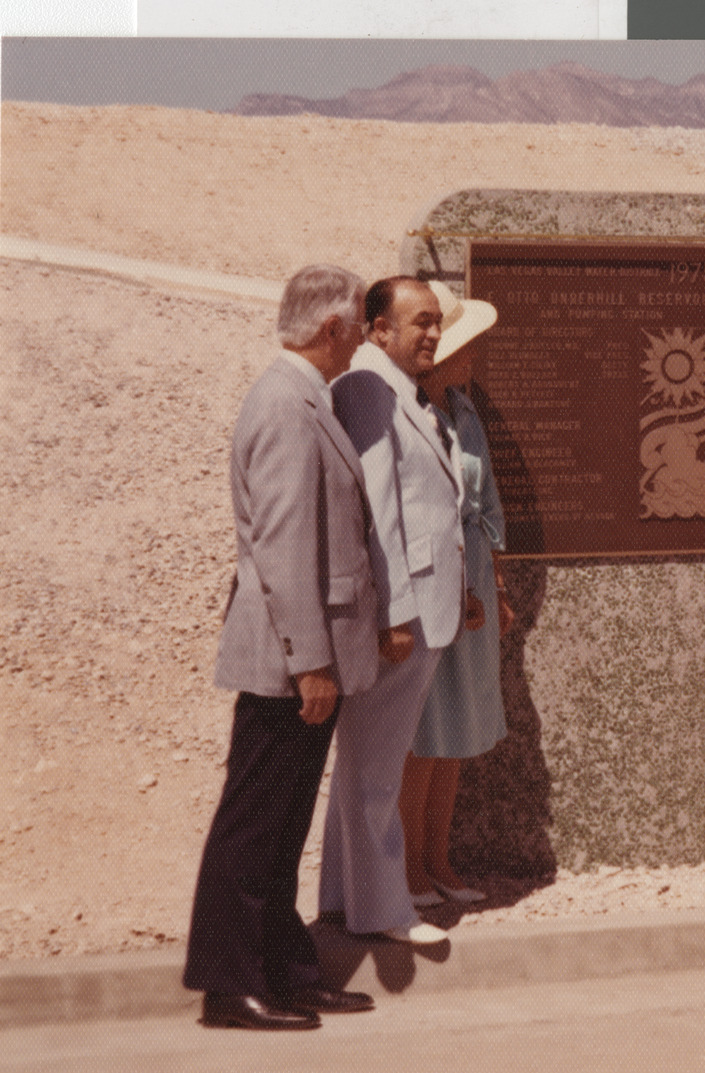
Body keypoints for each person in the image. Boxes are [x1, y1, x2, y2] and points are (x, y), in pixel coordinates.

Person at [184, 264, 377, 1029]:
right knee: (256, 819)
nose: (363, 337)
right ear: (332, 329)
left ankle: (285, 967)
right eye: (360, 324)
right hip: (290, 660)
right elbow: (287, 543)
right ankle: (230, 984)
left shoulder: (303, 398)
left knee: (285, 818)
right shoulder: (286, 405)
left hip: (303, 655)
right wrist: (311, 661)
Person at [319, 277, 467, 945]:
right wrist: (393, 615)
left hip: (424, 605)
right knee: (376, 765)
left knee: (367, 760)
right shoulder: (368, 391)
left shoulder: (397, 388)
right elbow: (378, 511)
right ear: (377, 329)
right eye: (419, 322)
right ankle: (382, 912)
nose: (433, 333)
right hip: (401, 614)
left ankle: (342, 899)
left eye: (437, 321)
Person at [401, 282, 514, 908]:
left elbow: (487, 500)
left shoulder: (467, 412)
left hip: (471, 575)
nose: (472, 358)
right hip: (431, 580)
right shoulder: (412, 412)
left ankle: (440, 861)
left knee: (458, 731)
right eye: (463, 346)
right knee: (422, 734)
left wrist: (492, 581)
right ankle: (410, 868)